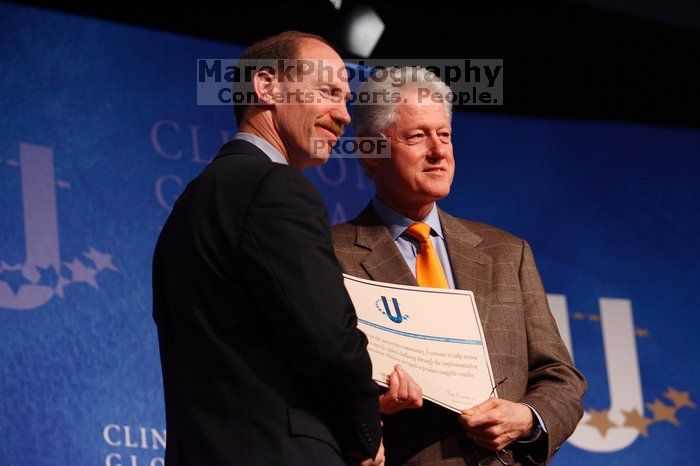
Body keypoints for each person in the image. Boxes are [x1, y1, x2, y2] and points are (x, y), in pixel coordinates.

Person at [331, 67, 587, 465]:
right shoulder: (329, 254)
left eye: (445, 135)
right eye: (417, 136)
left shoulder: (507, 252)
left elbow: (560, 377)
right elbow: (305, 386)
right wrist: (374, 407)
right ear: (370, 150)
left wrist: (526, 417)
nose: (439, 151)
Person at [153, 31, 387, 465]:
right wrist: (366, 430)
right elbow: (329, 341)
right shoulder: (275, 187)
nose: (344, 115)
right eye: (329, 92)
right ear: (266, 87)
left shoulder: (189, 204)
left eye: (347, 99)